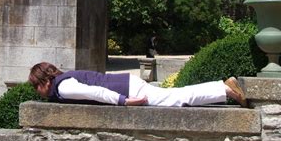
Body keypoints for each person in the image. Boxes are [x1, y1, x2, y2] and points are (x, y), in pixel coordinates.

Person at [28, 62, 247, 107]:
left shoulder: (63, 87)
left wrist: (124, 102)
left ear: (44, 80)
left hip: (128, 90)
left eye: (36, 86)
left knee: (177, 99)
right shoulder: (64, 82)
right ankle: (223, 88)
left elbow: (95, 92)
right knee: (176, 95)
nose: (37, 92)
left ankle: (225, 89)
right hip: (127, 84)